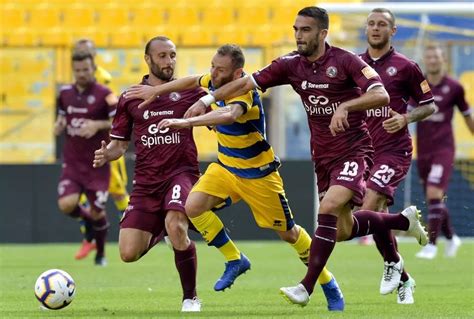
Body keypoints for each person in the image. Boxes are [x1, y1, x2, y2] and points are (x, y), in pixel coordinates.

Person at [172, 7, 428, 308]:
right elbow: (247, 83)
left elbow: (381, 95)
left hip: (355, 150)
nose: (298, 35)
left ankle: (307, 286)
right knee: (343, 230)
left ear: (322, 33)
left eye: (305, 30)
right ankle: (401, 220)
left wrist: (346, 107)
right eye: (296, 29)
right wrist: (207, 98)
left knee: (328, 209)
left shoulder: (346, 60)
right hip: (323, 157)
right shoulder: (290, 65)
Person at [125, 44, 345, 311]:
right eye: (212, 67)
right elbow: (192, 81)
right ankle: (234, 258)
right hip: (226, 168)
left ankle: (328, 282)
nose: (213, 75)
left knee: (288, 233)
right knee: (192, 206)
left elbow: (228, 114)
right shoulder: (216, 80)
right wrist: (156, 90)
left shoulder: (246, 91)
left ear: (237, 73)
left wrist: (185, 121)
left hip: (258, 175)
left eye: (220, 70)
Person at [93, 36, 204, 312]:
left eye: (173, 55)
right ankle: (162, 232)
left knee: (176, 223)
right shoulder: (130, 97)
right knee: (128, 253)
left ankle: (190, 298)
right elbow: (119, 145)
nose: (169, 62)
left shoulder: (190, 90)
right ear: (148, 59)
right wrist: (109, 154)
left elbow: (217, 97)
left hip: (182, 173)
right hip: (146, 183)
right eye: (163, 56)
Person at [359, 8, 436, 304]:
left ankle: (395, 261)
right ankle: (403, 275)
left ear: (393, 31)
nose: (375, 29)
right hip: (362, 151)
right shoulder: (355, 65)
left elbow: (429, 105)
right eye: (371, 24)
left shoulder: (406, 66)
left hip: (394, 149)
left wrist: (405, 118)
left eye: (382, 25)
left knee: (370, 204)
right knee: (367, 217)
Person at [54, 52, 117, 266]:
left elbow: (118, 122)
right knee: (66, 204)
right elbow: (62, 116)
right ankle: (89, 223)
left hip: (97, 163)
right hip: (72, 162)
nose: (81, 74)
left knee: (98, 212)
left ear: (93, 69)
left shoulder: (105, 94)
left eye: (86, 70)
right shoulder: (64, 93)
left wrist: (97, 125)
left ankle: (100, 254)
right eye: (78, 70)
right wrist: (59, 124)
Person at [73, 38, 131, 260]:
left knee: (117, 192)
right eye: (78, 54)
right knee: (79, 194)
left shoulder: (103, 79)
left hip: (105, 145)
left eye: (85, 53)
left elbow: (113, 113)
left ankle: (133, 230)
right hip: (83, 149)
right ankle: (89, 238)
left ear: (93, 55)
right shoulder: (77, 81)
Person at [415, 44, 473, 260]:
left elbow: (467, 116)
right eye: (429, 57)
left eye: (436, 57)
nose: (432, 60)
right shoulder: (418, 86)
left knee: (433, 193)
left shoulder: (454, 88)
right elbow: (408, 113)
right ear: (425, 60)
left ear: (443, 60)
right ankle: (451, 237)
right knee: (434, 198)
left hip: (444, 148)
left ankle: (431, 244)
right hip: (423, 149)